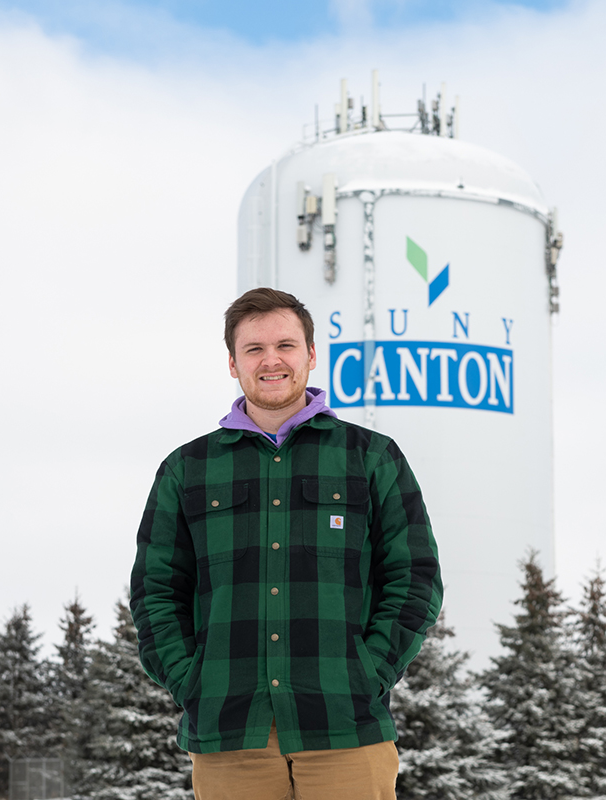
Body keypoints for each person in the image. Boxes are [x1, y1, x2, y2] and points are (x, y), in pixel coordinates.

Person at [130, 287, 442, 800]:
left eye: (286, 346)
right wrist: (192, 681)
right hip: (230, 733)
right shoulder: (187, 469)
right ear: (233, 363)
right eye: (253, 349)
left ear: (312, 356)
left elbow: (416, 578)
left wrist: (370, 673)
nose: (270, 360)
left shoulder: (371, 458)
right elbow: (155, 590)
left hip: (345, 724)